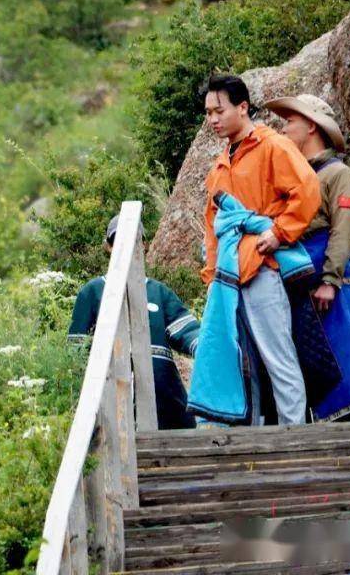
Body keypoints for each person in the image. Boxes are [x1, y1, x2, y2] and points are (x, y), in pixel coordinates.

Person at [188, 74, 321, 426]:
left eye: (219, 111)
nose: (213, 120)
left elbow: (307, 189)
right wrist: (211, 274)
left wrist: (279, 232)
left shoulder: (271, 146)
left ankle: (294, 435)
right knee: (241, 359)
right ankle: (255, 434)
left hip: (262, 266)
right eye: (208, 113)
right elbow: (212, 227)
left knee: (277, 354)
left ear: (243, 107)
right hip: (230, 276)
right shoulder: (220, 165)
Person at [265, 94, 350, 422]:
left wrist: (331, 279)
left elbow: (342, 230)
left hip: (330, 277)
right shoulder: (295, 179)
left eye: (290, 121)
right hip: (300, 280)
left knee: (343, 350)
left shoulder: (337, 173)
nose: (284, 128)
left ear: (311, 126)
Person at [68, 215, 199, 430]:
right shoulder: (92, 293)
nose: (127, 247)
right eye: (118, 241)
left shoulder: (159, 292)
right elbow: (75, 355)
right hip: (110, 401)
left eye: (135, 241)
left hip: (164, 405)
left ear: (144, 246)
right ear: (108, 247)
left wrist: (209, 346)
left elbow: (188, 332)